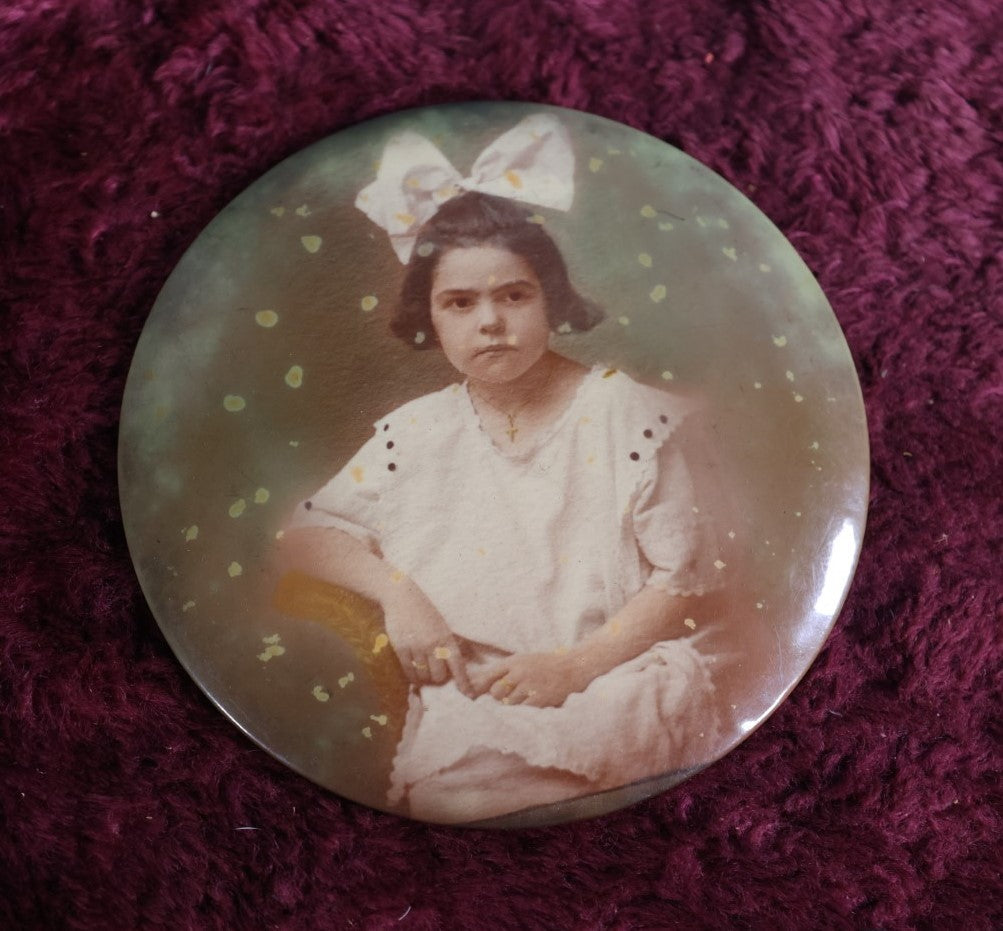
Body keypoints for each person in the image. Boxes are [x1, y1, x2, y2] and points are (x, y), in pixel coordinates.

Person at [280, 116, 724, 823]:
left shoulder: (623, 414)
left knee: (603, 777)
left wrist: (573, 666)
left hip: (615, 674)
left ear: (550, 298)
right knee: (464, 794)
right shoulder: (418, 433)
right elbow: (303, 534)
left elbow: (682, 580)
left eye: (513, 295)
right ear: (430, 317)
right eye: (460, 302)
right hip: (483, 690)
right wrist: (399, 593)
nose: (490, 322)